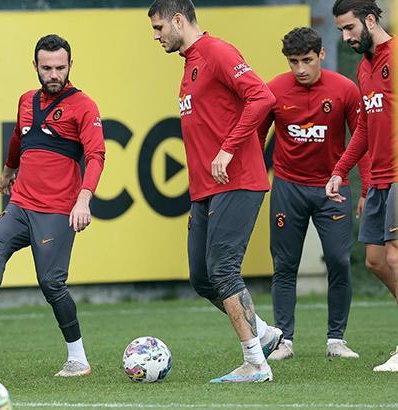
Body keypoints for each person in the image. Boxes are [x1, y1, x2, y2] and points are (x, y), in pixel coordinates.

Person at [0, 34, 105, 377]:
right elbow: (19, 136)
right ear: (35, 66)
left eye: (60, 68)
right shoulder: (26, 100)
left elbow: (96, 156)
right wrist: (8, 170)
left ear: (70, 65)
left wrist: (84, 199)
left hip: (57, 209)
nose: (54, 74)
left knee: (51, 283)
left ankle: (78, 358)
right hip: (21, 203)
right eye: (46, 68)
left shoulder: (84, 106)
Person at [148, 0, 284, 383]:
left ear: (178, 20)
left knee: (223, 271)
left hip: (237, 181)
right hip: (205, 190)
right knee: (202, 278)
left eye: (159, 28)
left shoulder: (217, 52)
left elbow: (262, 97)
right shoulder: (189, 63)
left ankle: (256, 363)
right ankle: (265, 334)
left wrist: (229, 149)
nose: (156, 36)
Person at [259, 27, 370, 360]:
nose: (300, 69)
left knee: (339, 260)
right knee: (284, 265)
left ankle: (336, 340)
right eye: (293, 62)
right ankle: (284, 341)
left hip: (331, 191)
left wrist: (366, 189)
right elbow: (257, 137)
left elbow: (362, 139)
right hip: (288, 187)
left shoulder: (344, 89)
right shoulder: (274, 90)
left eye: (307, 60)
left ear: (321, 54)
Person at [327, 0, 397, 372]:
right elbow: (366, 129)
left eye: (350, 28)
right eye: (340, 30)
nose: (346, 37)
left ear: (370, 20)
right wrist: (340, 170)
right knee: (375, 261)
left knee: (394, 257)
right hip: (380, 178)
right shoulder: (365, 67)